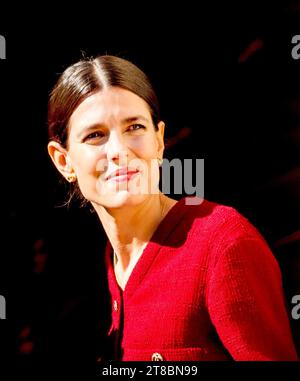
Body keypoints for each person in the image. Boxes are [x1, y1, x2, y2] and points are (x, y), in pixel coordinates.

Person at [47, 54, 298, 361]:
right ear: (64, 161)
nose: (119, 151)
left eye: (135, 127)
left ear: (160, 140)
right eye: (95, 135)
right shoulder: (110, 264)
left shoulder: (223, 243)